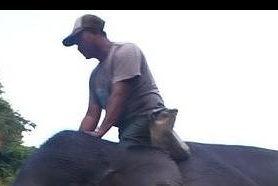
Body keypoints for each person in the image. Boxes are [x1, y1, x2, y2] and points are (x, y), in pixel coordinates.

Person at [63, 13, 189, 160]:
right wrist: (79, 143)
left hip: (147, 117)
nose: (78, 46)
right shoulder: (95, 77)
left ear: (96, 32)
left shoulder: (126, 51)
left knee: (124, 158)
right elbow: (92, 114)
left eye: (80, 39)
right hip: (125, 126)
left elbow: (119, 95)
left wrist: (100, 132)